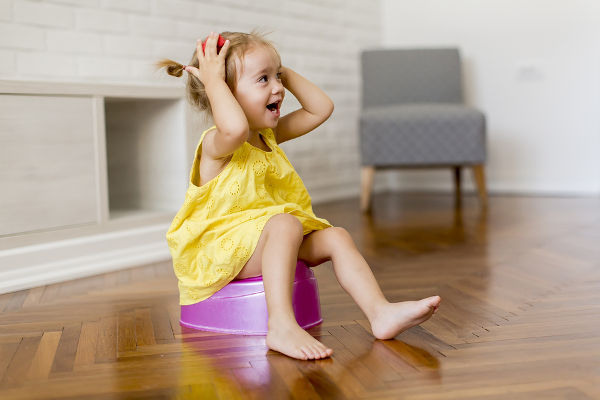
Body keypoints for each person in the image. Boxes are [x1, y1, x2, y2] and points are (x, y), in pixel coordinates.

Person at [158, 30, 441, 361]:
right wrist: (214, 82)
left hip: (269, 240)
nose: (277, 87)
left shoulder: (268, 136)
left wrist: (281, 72)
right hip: (219, 253)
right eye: (263, 79)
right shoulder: (216, 144)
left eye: (276, 76)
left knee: (336, 236)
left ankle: (380, 312)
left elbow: (320, 108)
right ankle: (280, 324)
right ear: (224, 93)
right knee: (286, 224)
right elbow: (233, 128)